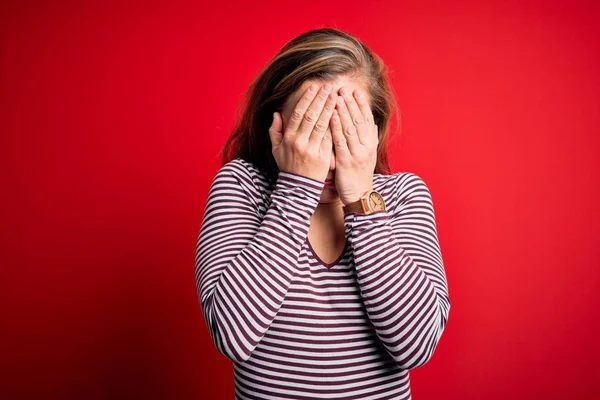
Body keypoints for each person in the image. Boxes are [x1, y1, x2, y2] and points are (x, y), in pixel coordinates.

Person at [195, 27, 450, 400]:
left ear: (375, 131)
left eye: (346, 132)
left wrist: (362, 198)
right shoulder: (241, 188)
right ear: (276, 125)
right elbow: (232, 335)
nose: (328, 158)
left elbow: (416, 345)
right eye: (310, 130)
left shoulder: (403, 196)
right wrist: (297, 188)